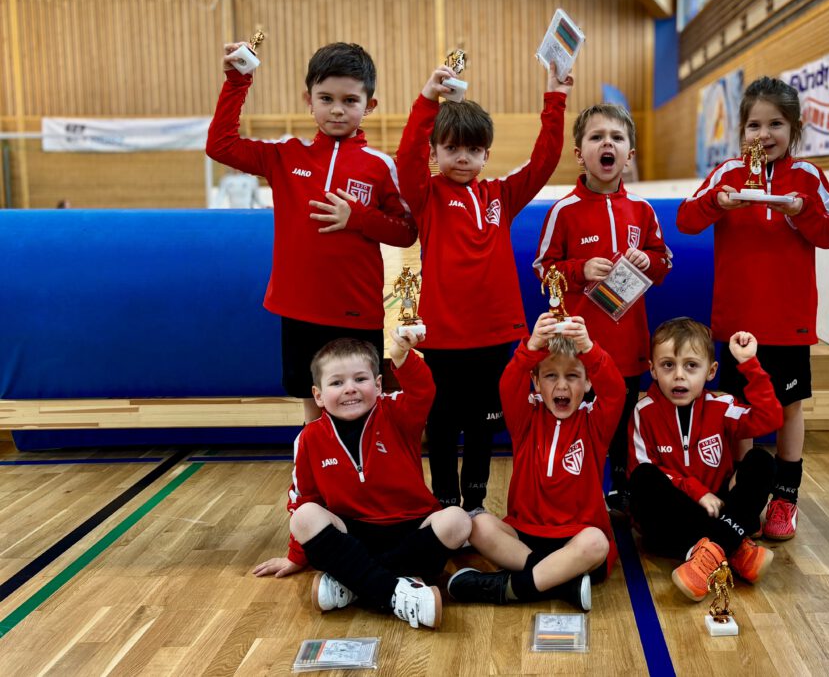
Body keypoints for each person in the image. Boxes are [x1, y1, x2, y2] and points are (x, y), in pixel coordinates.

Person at [396, 61, 573, 514]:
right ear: (435, 152)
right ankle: (444, 503)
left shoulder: (501, 195)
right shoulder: (426, 196)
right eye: (452, 148)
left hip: (494, 337)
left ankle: (474, 503)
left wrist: (555, 97)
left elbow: (544, 160)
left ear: (486, 155)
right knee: (442, 426)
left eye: (473, 150)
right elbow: (405, 158)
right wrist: (427, 100)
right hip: (444, 339)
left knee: (482, 427)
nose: (462, 158)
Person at [207, 41, 417, 424]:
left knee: (362, 406)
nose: (337, 109)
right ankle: (312, 462)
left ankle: (362, 463)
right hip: (298, 309)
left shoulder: (380, 166)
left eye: (350, 100)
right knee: (312, 404)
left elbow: (406, 232)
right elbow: (220, 146)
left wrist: (358, 217)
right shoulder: (285, 155)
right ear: (309, 100)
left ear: (369, 105)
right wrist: (237, 82)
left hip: (356, 311)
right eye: (326, 98)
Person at [676, 76, 829, 540]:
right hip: (737, 322)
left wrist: (801, 212)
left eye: (775, 124)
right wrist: (716, 203)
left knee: (788, 408)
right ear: (741, 130)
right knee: (737, 409)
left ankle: (785, 499)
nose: (763, 134)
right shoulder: (727, 174)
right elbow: (686, 219)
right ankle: (744, 496)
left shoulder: (807, 178)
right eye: (754, 125)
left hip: (788, 322)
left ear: (794, 128)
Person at [251, 331, 472, 629]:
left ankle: (353, 584)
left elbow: (423, 391)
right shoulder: (310, 438)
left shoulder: (398, 414)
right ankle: (396, 591)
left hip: (411, 530)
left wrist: (402, 358)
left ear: (378, 385)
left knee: (458, 520)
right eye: (336, 383)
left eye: (360, 379)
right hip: (353, 535)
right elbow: (304, 497)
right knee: (304, 517)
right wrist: (296, 557)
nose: (350, 389)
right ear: (318, 395)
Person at [533, 103, 672, 515]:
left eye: (616, 137)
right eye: (596, 137)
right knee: (582, 421)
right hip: (578, 348)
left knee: (623, 422)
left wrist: (649, 260)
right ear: (580, 153)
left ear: (629, 154)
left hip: (628, 347)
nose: (606, 143)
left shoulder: (643, 210)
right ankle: (581, 489)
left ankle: (622, 490)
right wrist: (579, 270)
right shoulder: (563, 210)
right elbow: (542, 269)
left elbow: (664, 263)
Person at [447, 313, 625, 611]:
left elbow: (615, 391)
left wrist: (589, 348)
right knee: (476, 525)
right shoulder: (526, 418)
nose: (562, 386)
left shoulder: (595, 422)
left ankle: (508, 588)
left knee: (597, 542)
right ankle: (559, 580)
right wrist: (531, 347)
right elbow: (508, 384)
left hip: (576, 538)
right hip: (525, 536)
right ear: (536, 381)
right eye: (551, 375)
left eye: (572, 376)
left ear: (588, 381)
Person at [627, 318, 782, 601]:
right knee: (643, 479)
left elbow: (770, 419)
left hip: (718, 507)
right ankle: (734, 548)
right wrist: (697, 492)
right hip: (674, 518)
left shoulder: (721, 406)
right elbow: (641, 468)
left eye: (691, 366)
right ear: (652, 369)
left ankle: (709, 554)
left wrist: (750, 365)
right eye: (668, 365)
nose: (679, 376)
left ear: (710, 371)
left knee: (761, 461)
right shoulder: (644, 411)